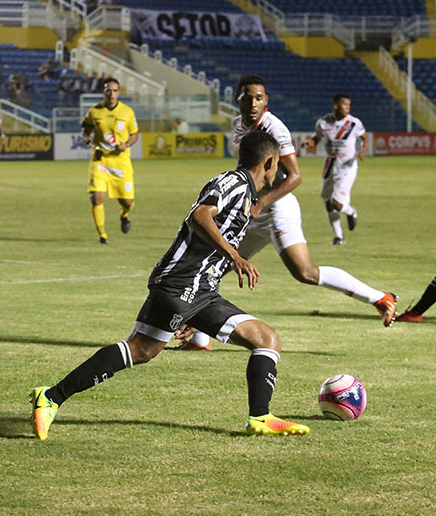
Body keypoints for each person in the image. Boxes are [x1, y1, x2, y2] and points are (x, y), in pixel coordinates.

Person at [30, 130, 310, 440]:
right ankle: (51, 397)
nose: (278, 171)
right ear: (269, 162)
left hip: (203, 291)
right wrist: (234, 256)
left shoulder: (247, 196)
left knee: (266, 339)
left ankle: (260, 417)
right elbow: (199, 216)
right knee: (140, 349)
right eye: (277, 164)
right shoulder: (233, 183)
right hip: (180, 282)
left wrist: (195, 313)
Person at [181, 75, 396, 351]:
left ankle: (380, 298)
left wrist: (260, 204)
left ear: (266, 100)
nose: (253, 103)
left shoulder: (273, 127)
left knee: (305, 272)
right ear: (237, 99)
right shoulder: (237, 125)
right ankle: (200, 340)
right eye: (247, 98)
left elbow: (295, 176)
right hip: (251, 210)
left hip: (276, 208)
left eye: (259, 98)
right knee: (216, 265)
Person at [301, 93, 367, 245]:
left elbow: (365, 137)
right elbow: (316, 139)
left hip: (347, 167)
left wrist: (363, 150)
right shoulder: (323, 123)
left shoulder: (354, 123)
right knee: (327, 202)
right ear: (336, 106)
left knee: (336, 202)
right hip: (330, 165)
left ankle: (351, 211)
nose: (348, 108)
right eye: (345, 105)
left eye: (349, 105)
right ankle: (339, 236)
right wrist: (309, 143)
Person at [81, 77, 139, 244]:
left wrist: (126, 144)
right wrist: (86, 138)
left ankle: (124, 214)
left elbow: (134, 134)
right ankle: (102, 235)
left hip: (121, 162)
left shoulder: (127, 112)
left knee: (127, 202)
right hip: (100, 160)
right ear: (103, 91)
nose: (111, 93)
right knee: (96, 197)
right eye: (108, 90)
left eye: (114, 90)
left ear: (118, 92)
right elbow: (86, 130)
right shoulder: (94, 111)